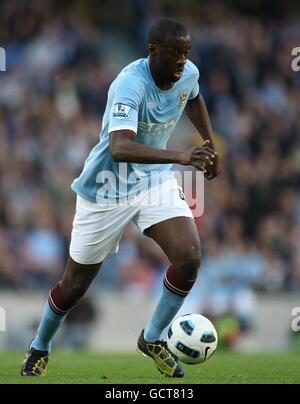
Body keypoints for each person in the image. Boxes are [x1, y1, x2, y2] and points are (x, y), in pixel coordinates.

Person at [21, 18, 219, 378]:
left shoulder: (187, 73)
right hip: (106, 189)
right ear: (153, 51)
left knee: (189, 257)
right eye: (175, 53)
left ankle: (153, 338)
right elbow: (120, 147)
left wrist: (209, 143)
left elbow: (193, 96)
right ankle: (40, 345)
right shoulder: (130, 85)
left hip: (152, 182)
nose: (182, 61)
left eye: (186, 53)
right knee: (74, 286)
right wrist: (180, 156)